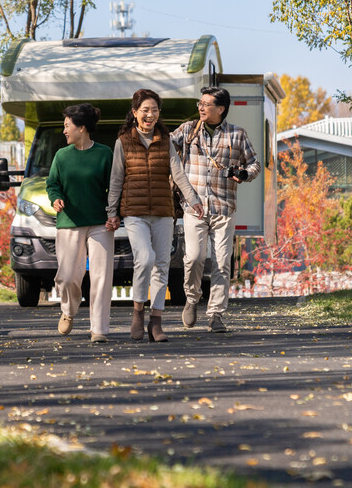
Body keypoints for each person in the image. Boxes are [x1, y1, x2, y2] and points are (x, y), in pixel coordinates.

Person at [106, 89, 204, 342]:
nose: (150, 115)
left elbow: (178, 174)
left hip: (163, 210)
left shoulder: (165, 140)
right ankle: (138, 312)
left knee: (161, 264)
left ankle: (156, 322)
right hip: (134, 212)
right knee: (145, 258)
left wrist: (193, 200)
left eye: (155, 110)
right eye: (145, 110)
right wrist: (112, 211)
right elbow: (116, 179)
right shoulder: (123, 142)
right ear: (134, 113)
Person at [170, 86, 261, 333]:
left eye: (206, 104)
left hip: (224, 208)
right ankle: (191, 298)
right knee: (194, 258)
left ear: (220, 108)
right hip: (194, 208)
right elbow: (164, 146)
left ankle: (216, 314)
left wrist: (244, 174)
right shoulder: (187, 130)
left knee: (222, 263)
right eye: (199, 103)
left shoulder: (237, 135)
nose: (200, 107)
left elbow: (255, 164)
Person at [46, 103, 114, 343]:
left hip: (100, 223)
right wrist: (56, 198)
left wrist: (114, 213)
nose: (64, 131)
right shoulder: (61, 156)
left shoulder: (105, 153)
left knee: (101, 276)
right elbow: (52, 183)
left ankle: (99, 329)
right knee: (67, 276)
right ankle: (68, 310)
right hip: (69, 221)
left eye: (67, 126)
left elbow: (114, 188)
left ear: (82, 128)